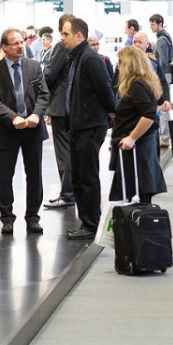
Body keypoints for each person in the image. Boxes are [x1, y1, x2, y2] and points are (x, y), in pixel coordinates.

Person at [0, 29, 50, 235]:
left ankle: (33, 217)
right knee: (5, 176)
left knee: (35, 175)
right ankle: (7, 218)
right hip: (7, 129)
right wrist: (13, 117)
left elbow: (44, 94)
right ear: (4, 47)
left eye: (21, 42)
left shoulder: (33, 66)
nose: (20, 46)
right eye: (15, 43)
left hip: (32, 128)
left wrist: (37, 114)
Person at [62, 16, 116, 239]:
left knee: (88, 176)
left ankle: (91, 224)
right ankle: (86, 221)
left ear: (78, 35)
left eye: (65, 34)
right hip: (79, 124)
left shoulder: (90, 58)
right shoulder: (77, 57)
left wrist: (113, 112)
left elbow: (105, 89)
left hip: (90, 124)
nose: (62, 38)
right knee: (79, 176)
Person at [108, 47, 167, 203]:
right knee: (140, 195)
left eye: (121, 63)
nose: (119, 67)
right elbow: (154, 108)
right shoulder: (146, 82)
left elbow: (148, 115)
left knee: (138, 195)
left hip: (138, 146)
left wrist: (132, 138)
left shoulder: (136, 85)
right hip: (142, 144)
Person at [43, 14, 75, 210]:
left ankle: (67, 194)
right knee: (70, 151)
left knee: (64, 153)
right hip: (73, 106)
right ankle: (71, 192)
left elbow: (49, 74)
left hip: (61, 106)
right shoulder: (79, 48)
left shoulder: (61, 47)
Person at [149, 14, 173, 148]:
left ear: (160, 24)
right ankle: (163, 136)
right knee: (163, 106)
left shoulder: (161, 40)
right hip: (165, 75)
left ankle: (164, 137)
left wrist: (159, 78)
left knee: (163, 107)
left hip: (163, 76)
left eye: (153, 24)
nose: (151, 27)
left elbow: (163, 62)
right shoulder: (164, 37)